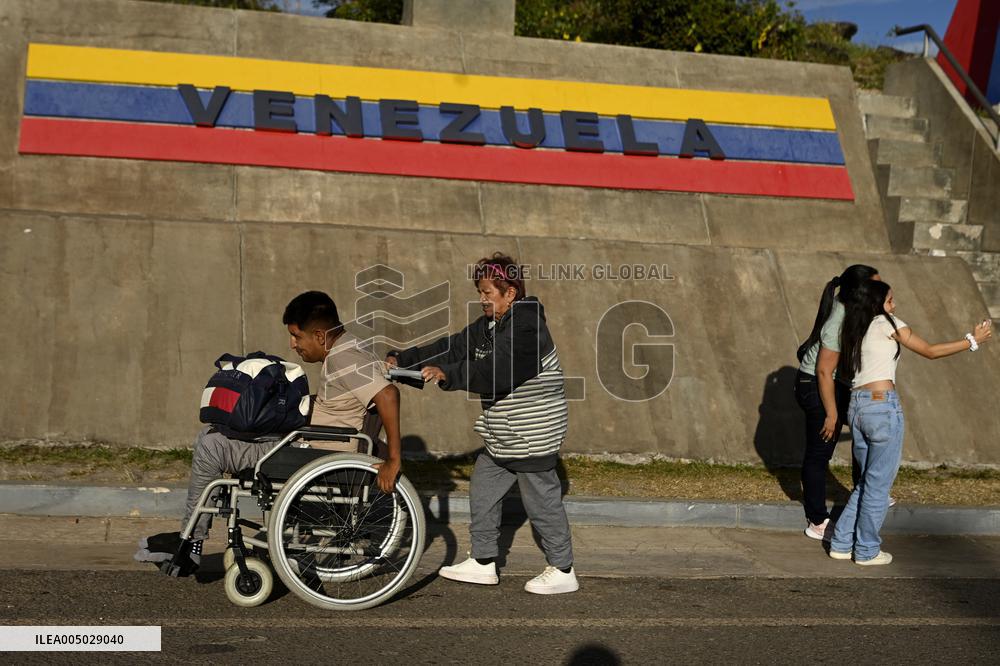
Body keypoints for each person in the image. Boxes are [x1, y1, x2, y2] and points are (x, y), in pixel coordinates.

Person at [134, 291, 402, 574]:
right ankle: (192, 536)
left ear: (321, 336)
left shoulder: (344, 358)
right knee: (215, 433)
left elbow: (388, 395)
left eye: (297, 337)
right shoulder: (351, 345)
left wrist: (393, 460)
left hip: (315, 453)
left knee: (211, 446)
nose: (293, 344)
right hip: (311, 442)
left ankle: (192, 543)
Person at [386, 253, 577, 595]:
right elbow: (454, 347)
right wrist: (405, 360)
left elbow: (498, 372)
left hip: (532, 433)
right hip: (506, 436)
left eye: (489, 292)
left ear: (511, 293)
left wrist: (450, 375)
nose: (482, 298)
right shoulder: (490, 325)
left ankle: (563, 569)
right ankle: (484, 562)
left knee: (541, 503)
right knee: (484, 486)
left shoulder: (527, 326)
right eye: (480, 291)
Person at [828, 281, 991, 565]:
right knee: (878, 486)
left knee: (867, 482)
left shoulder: (853, 329)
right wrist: (972, 340)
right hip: (881, 406)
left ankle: (841, 542)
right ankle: (866, 550)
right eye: (891, 300)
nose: (895, 304)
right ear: (879, 304)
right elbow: (929, 350)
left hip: (857, 407)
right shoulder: (887, 322)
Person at [794, 265, 880, 540]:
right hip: (814, 384)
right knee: (820, 452)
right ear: (859, 290)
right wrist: (831, 414)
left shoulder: (856, 312)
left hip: (833, 383)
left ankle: (869, 490)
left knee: (863, 430)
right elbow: (822, 372)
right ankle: (817, 520)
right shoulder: (838, 320)